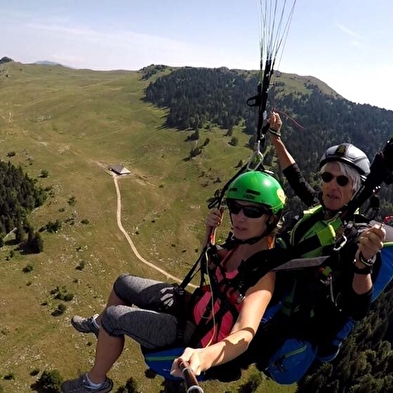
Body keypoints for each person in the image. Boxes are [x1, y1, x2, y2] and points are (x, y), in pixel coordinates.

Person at [61, 171, 287, 393]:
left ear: (272, 218)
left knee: (114, 317)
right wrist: (211, 232)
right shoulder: (239, 243)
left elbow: (245, 333)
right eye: (235, 208)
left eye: (252, 211)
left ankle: (95, 383)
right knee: (123, 283)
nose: (239, 217)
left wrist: (204, 357)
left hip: (197, 335)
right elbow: (209, 260)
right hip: (196, 307)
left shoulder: (263, 276)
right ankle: (99, 326)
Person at [233, 112, 387, 383]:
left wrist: (364, 261)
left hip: (292, 321)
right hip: (273, 298)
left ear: (357, 188)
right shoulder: (319, 209)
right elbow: (295, 176)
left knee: (227, 360)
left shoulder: (356, 235)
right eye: (327, 176)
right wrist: (276, 138)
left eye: (342, 181)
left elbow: (358, 306)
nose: (331, 185)